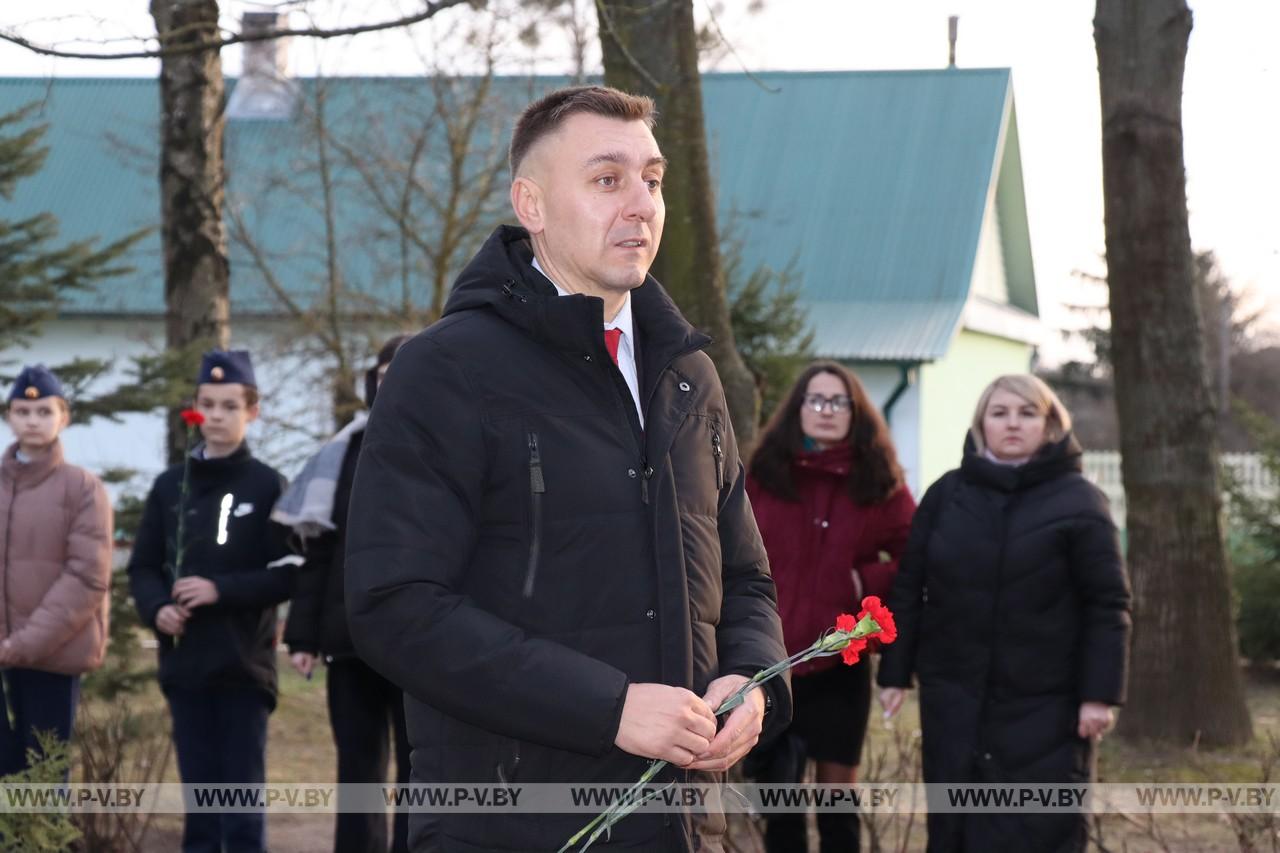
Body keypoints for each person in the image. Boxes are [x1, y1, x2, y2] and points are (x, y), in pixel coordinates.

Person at [344, 85, 792, 853]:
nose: (642, 204)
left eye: (651, 179)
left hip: (681, 824)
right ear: (533, 204)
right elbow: (396, 606)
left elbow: (746, 578)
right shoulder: (444, 371)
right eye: (607, 179)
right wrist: (608, 706)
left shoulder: (688, 377)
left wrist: (753, 681)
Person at [877, 374, 1131, 853]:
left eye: (1027, 413)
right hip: (954, 697)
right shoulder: (946, 495)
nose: (1012, 423)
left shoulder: (1080, 501)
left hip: (1047, 706)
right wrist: (895, 672)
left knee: (1035, 829)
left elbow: (1107, 603)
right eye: (999, 413)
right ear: (980, 425)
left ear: (1050, 424)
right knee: (955, 828)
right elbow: (910, 585)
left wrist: (1099, 695)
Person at [128, 350, 296, 853]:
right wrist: (158, 608)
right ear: (195, 409)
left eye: (229, 405)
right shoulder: (169, 487)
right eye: (208, 405)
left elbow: (287, 574)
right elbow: (142, 567)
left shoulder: (268, 485)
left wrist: (220, 590)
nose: (217, 416)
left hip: (243, 666)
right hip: (187, 667)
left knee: (241, 804)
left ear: (252, 412)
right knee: (200, 804)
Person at [746, 361, 915, 853]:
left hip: (841, 665)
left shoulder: (879, 481)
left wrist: (864, 580)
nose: (825, 410)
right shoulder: (764, 475)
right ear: (798, 409)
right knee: (780, 807)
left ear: (855, 412)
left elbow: (916, 556)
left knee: (838, 806)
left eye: (838, 401)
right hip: (771, 661)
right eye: (815, 400)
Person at [276, 334, 413, 853]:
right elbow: (319, 550)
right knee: (358, 771)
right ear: (370, 381)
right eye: (384, 373)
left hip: (419, 643)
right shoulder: (343, 451)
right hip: (350, 640)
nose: (393, 381)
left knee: (420, 768)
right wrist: (303, 636)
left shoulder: (449, 442)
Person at [0, 364, 112, 776]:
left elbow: (87, 577)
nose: (33, 420)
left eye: (45, 412)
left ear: (63, 418)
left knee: (43, 777)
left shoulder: (81, 488)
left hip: (53, 655)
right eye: (23, 412)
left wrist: (22, 643)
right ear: (9, 416)